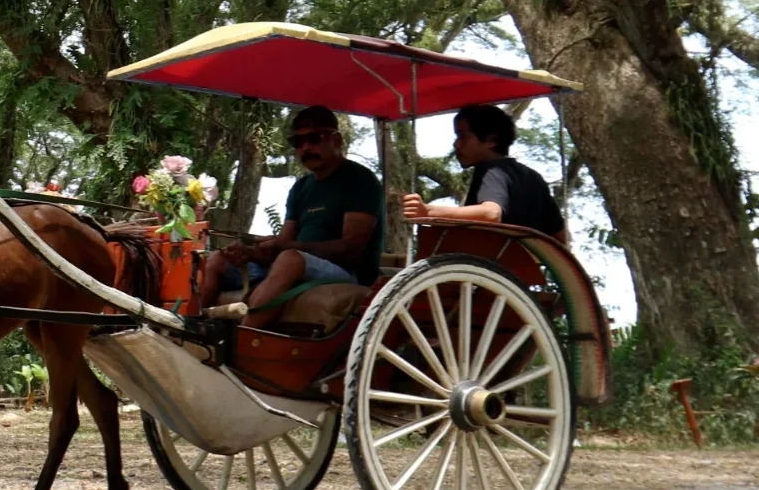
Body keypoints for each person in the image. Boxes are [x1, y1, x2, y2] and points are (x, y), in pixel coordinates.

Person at [200, 105, 382, 326]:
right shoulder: (301, 187)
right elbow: (284, 244)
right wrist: (250, 253)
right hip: (296, 264)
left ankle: (242, 342)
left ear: (337, 140)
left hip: (348, 273)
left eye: (314, 138)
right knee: (217, 259)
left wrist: (289, 249)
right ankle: (195, 327)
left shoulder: (359, 179)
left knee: (290, 259)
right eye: (298, 142)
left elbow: (351, 250)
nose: (306, 147)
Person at [401, 104, 567, 240]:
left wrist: (427, 211)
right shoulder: (534, 177)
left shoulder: (491, 169)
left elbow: (491, 213)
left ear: (491, 141)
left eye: (462, 136)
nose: (456, 145)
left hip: (483, 267)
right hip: (517, 275)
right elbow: (559, 237)